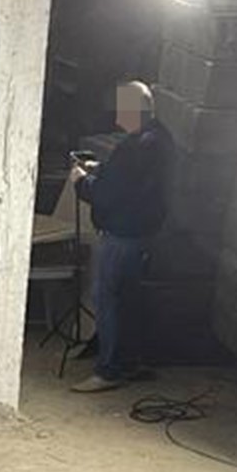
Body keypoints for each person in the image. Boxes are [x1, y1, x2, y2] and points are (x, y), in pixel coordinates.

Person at [69, 82, 172, 393]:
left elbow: (110, 194)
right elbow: (131, 180)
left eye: (121, 110)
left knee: (108, 299)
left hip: (123, 234)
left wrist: (81, 182)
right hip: (143, 231)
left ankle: (109, 370)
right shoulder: (159, 138)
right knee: (128, 301)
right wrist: (103, 168)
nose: (116, 117)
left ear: (134, 111)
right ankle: (129, 362)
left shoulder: (135, 148)